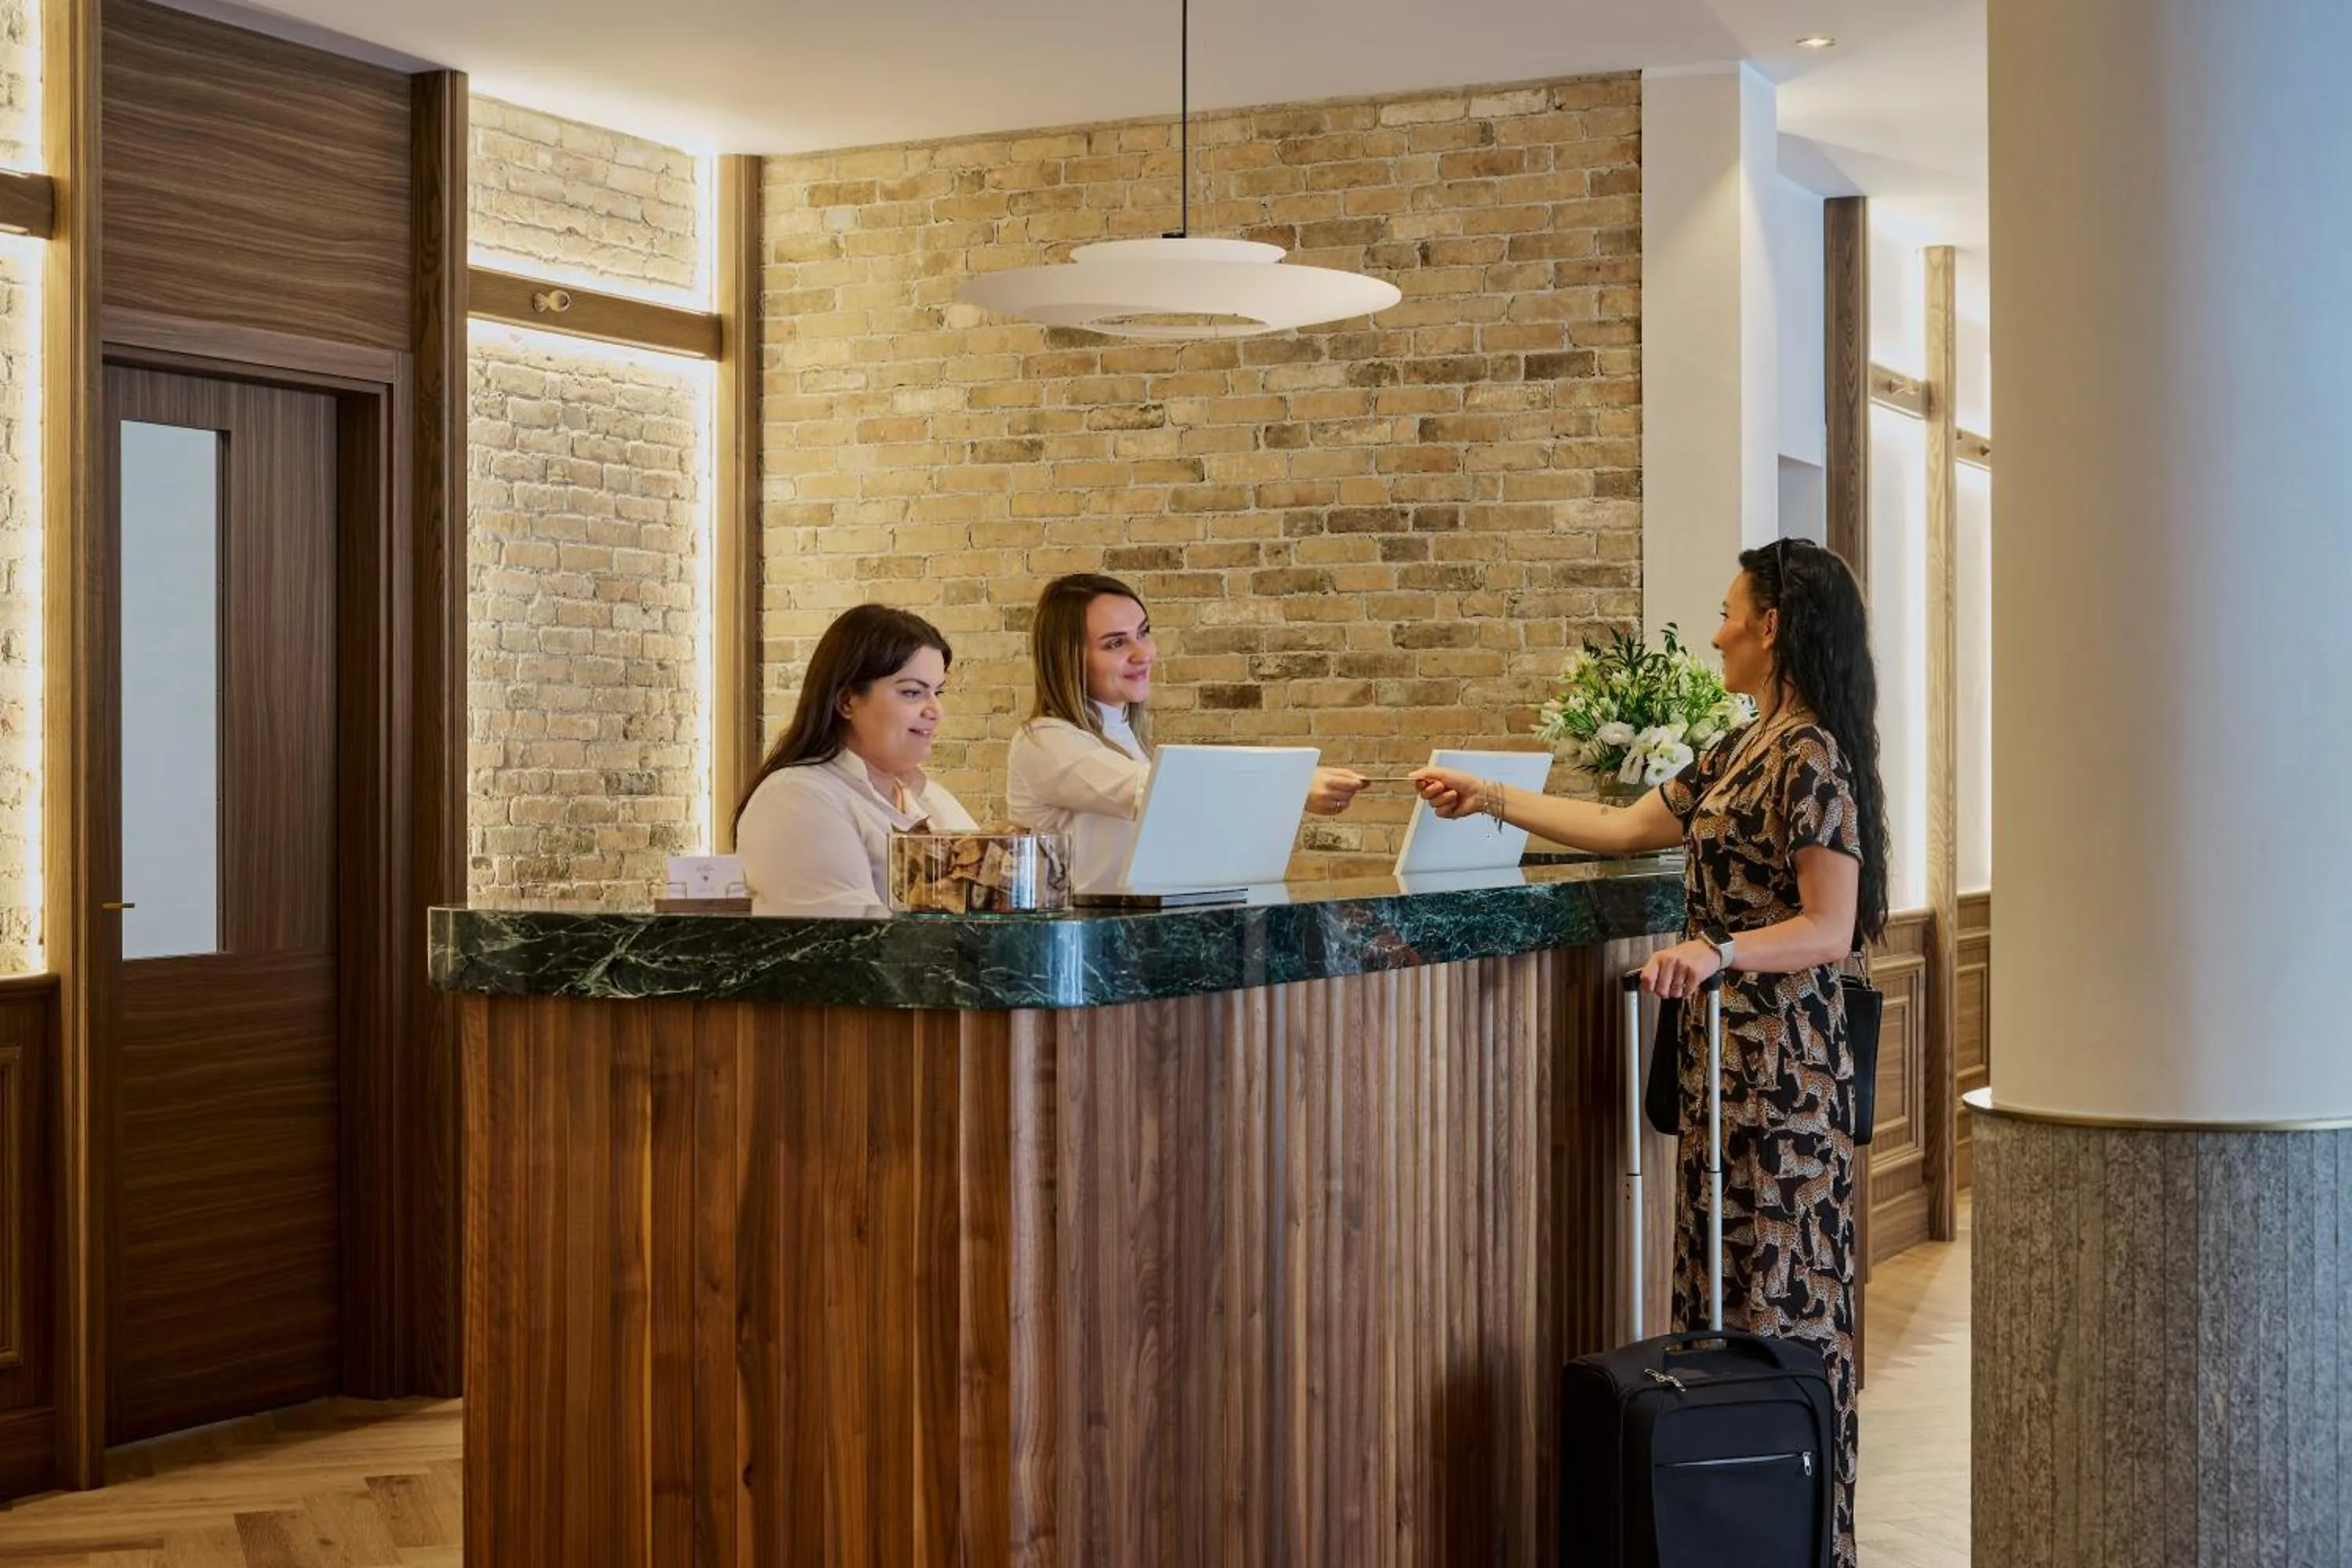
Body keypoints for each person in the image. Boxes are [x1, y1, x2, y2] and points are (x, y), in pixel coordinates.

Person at [1412, 538, 1886, 1568]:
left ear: (1771, 625)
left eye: (1728, 611)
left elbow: (1829, 928)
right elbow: (1622, 826)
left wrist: (1714, 950)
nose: (1714, 630)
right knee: (1716, 1310)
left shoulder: (1811, 755)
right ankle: (1728, 1533)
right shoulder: (1741, 746)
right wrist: (1485, 797)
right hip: (1720, 1075)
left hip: (1785, 1085)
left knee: (1773, 1314)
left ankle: (1793, 1538)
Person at [1004, 573, 1370, 893]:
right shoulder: (1044, 741)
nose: (1142, 653)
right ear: (1069, 658)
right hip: (1086, 957)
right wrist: (1294, 785)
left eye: (1143, 633)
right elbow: (1158, 790)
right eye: (1116, 643)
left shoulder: (1125, 739)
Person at [733, 603, 976, 912]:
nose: (935, 711)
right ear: (847, 701)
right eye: (913, 693)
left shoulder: (933, 800)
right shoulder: (797, 797)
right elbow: (852, 943)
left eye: (937, 693)